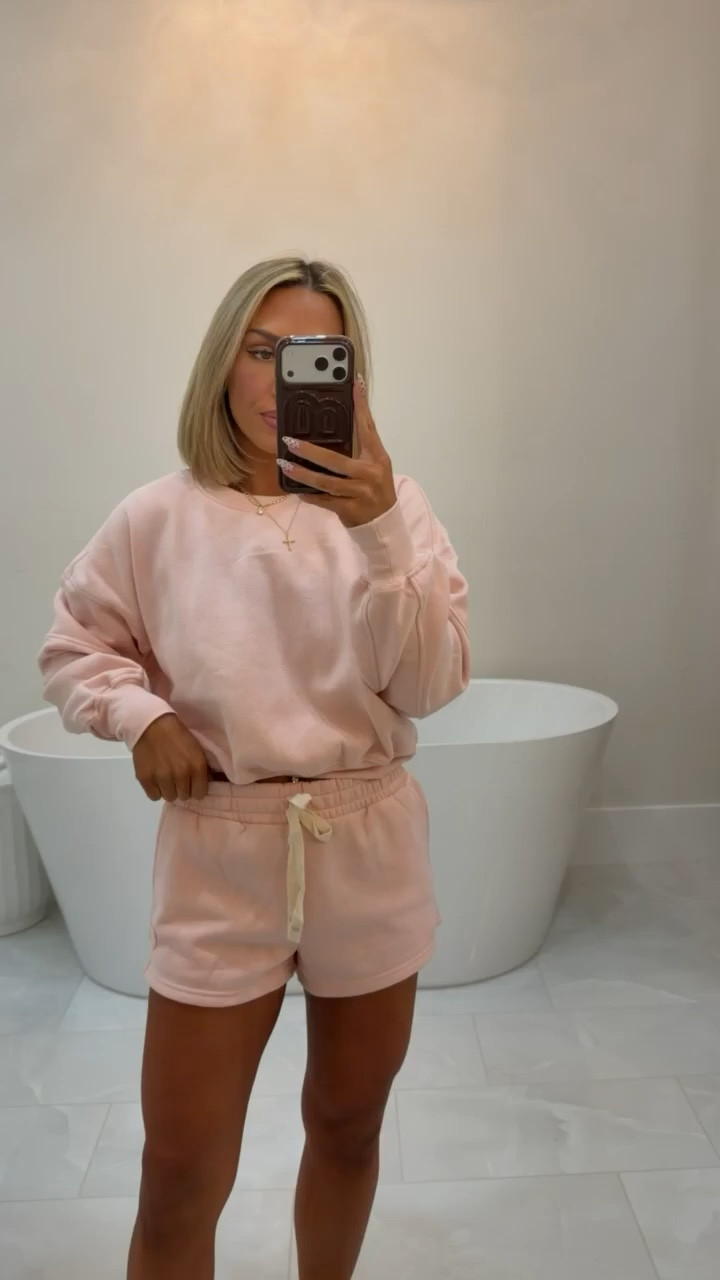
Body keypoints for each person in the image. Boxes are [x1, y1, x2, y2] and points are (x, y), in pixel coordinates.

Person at [39, 257, 470, 1280]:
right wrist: (140, 714)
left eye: (314, 356)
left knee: (350, 1125)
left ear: (350, 376)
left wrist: (378, 532)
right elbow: (74, 647)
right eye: (261, 350)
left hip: (367, 839)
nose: (282, 380)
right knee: (179, 1171)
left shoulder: (396, 508)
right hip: (220, 849)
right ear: (222, 361)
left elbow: (432, 683)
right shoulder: (157, 516)